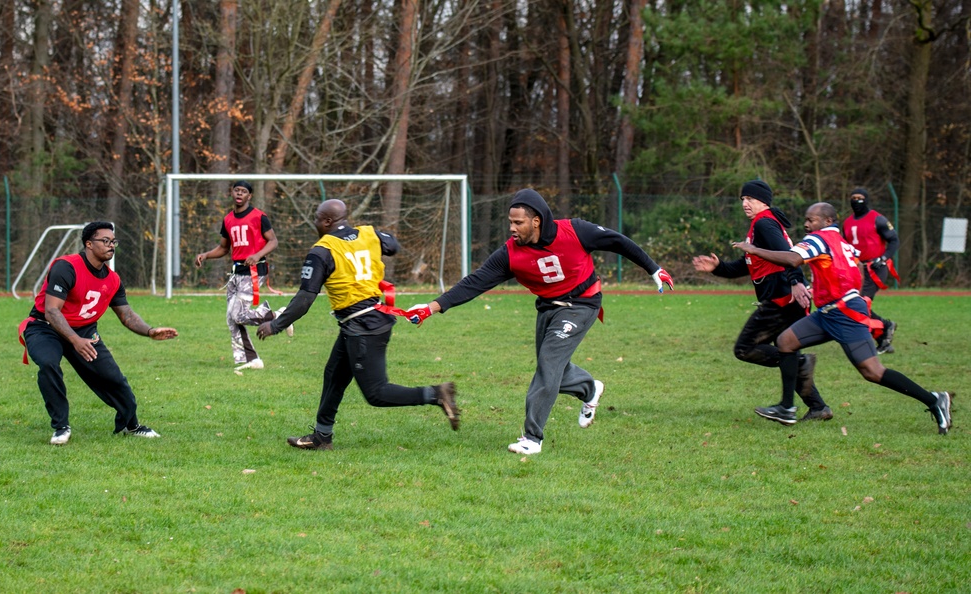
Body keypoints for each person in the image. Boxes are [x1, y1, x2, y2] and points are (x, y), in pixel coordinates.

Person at [405, 188, 675, 455]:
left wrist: (654, 269)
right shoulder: (509, 254)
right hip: (548, 309)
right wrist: (432, 307)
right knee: (556, 368)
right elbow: (474, 283)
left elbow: (618, 241)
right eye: (510, 222)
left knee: (548, 363)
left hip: (582, 304)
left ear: (536, 221)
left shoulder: (576, 231)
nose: (512, 228)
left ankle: (532, 438)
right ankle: (590, 388)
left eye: (518, 222)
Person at [256, 199, 459, 450]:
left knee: (376, 393)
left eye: (318, 218)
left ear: (328, 221)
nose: (315, 222)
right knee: (334, 376)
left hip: (364, 328)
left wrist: (276, 325)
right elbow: (393, 245)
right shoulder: (369, 233)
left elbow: (305, 298)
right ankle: (321, 437)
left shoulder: (322, 250)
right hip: (364, 321)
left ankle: (437, 394)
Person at [732, 202, 952, 434]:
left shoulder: (820, 239)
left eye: (812, 219)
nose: (807, 224)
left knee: (872, 371)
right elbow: (856, 267)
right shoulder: (843, 242)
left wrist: (755, 250)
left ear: (828, 221)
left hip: (844, 314)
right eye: (806, 219)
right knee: (786, 341)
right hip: (829, 311)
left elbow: (792, 259)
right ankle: (787, 408)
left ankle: (934, 400)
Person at [19, 222, 178, 445]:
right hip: (45, 327)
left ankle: (131, 425)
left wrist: (150, 331)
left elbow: (127, 315)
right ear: (89, 244)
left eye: (113, 241)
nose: (111, 245)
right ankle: (61, 427)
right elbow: (52, 311)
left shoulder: (113, 279)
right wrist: (74, 340)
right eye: (105, 241)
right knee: (48, 363)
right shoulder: (67, 266)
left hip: (84, 332)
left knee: (114, 379)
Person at [692, 180, 832, 422]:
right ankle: (818, 406)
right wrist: (718, 267)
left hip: (782, 300)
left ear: (763, 201)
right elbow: (746, 264)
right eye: (742, 199)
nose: (745, 203)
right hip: (786, 298)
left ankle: (798, 365)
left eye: (750, 199)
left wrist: (796, 281)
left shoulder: (765, 223)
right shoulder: (762, 224)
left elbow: (790, 257)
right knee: (783, 348)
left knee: (745, 348)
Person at [195, 180, 292, 373]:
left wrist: (257, 255)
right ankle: (252, 359)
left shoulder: (259, 217)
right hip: (236, 272)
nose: (239, 194)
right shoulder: (228, 219)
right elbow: (224, 247)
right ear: (231, 193)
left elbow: (273, 241)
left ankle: (277, 316)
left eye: (244, 191)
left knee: (237, 314)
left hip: (254, 270)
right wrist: (205, 255)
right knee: (232, 318)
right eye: (236, 190)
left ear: (249, 196)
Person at [843, 187, 900, 354]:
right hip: (856, 268)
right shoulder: (847, 222)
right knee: (853, 303)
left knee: (861, 303)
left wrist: (882, 258)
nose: (856, 201)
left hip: (875, 268)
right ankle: (884, 335)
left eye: (860, 197)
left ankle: (881, 330)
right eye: (853, 197)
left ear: (866, 199)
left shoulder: (877, 219)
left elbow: (894, 240)